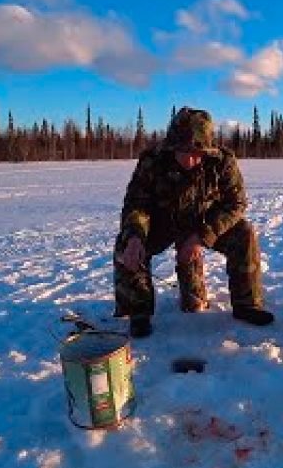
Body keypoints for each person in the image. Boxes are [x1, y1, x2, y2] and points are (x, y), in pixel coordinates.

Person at [113, 107, 274, 337]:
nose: (190, 160)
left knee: (244, 233)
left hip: (204, 223)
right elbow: (136, 204)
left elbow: (236, 204)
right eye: (184, 151)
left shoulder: (223, 161)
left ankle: (247, 304)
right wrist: (135, 235)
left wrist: (202, 236)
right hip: (163, 223)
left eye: (198, 153)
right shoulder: (152, 160)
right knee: (126, 243)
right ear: (172, 146)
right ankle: (139, 312)